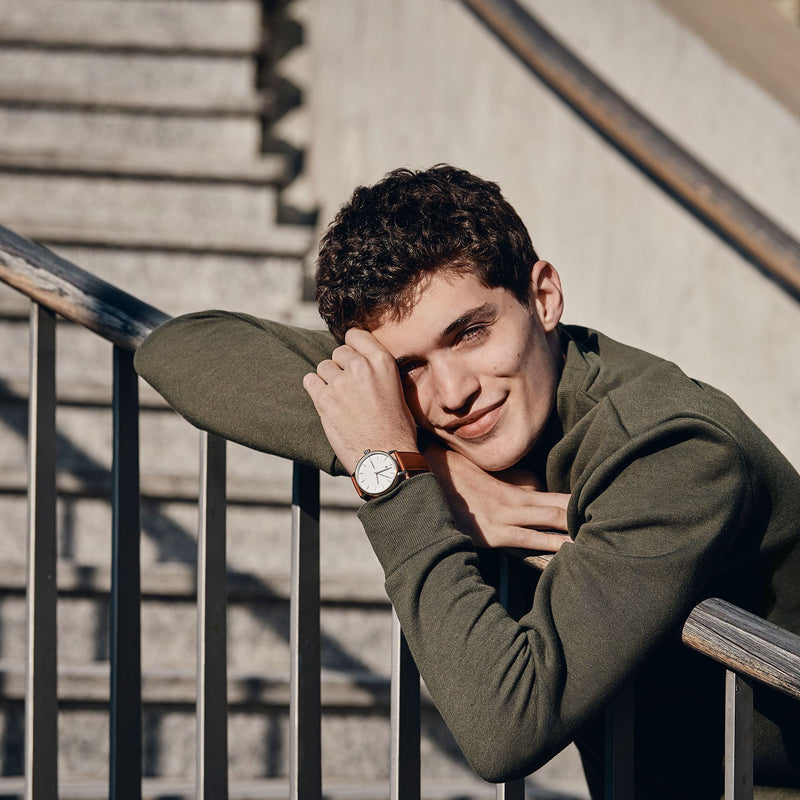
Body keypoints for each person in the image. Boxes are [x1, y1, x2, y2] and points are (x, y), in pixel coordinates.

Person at [135, 165, 800, 798]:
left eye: (471, 333)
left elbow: (505, 725)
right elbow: (183, 346)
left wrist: (394, 479)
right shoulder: (463, 411)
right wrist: (431, 469)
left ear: (543, 298)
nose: (454, 393)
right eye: (409, 369)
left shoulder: (674, 451)